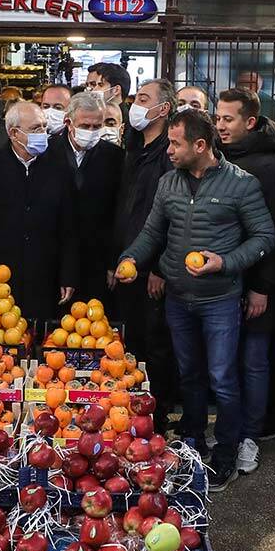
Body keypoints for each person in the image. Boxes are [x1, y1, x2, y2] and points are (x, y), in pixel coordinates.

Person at [116, 109, 275, 491]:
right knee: (189, 376)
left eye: (175, 143)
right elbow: (152, 231)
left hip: (220, 299)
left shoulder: (242, 185)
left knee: (222, 380)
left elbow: (264, 237)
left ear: (200, 146)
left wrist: (226, 263)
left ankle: (225, 455)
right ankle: (191, 443)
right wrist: (131, 257)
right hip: (178, 298)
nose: (168, 149)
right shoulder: (169, 182)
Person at [215, 87, 275, 475]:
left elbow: (272, 231)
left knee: (253, 361)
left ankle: (249, 438)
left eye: (229, 119)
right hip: (220, 281)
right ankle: (230, 430)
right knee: (225, 364)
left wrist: (262, 286)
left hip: (257, 281)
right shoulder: (217, 157)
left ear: (250, 121)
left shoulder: (268, 165)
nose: (220, 126)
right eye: (218, 118)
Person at [0, 102, 78, 321]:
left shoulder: (59, 168)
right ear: (14, 133)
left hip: (45, 277)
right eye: (36, 129)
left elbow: (69, 229)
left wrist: (68, 276)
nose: (43, 134)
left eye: (45, 127)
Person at [112, 79, 177, 431]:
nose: (134, 104)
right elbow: (127, 210)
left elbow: (172, 217)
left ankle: (158, 413)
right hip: (129, 263)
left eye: (142, 99)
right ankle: (133, 409)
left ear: (163, 109)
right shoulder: (136, 148)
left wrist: (161, 268)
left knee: (155, 345)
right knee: (131, 339)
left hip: (153, 269)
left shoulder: (169, 153)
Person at [47, 93, 121, 303]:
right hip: (54, 256)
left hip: (97, 257)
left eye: (97, 126)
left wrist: (112, 261)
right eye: (85, 126)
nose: (91, 132)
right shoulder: (46, 152)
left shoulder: (115, 157)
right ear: (68, 122)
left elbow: (117, 212)